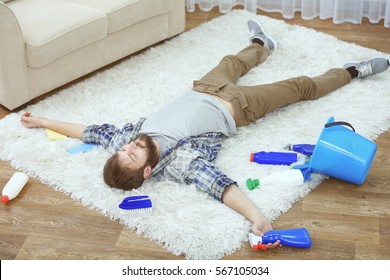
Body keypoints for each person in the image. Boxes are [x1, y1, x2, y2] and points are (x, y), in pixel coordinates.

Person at [21, 20, 389, 249]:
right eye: (134, 154)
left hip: (204, 88)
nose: (132, 145)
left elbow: (86, 131)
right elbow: (222, 186)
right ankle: (352, 71)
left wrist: (42, 121)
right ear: (148, 171)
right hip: (239, 106)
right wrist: (257, 218)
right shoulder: (182, 164)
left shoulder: (123, 144)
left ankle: (262, 45)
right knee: (299, 86)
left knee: (232, 62)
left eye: (126, 148)